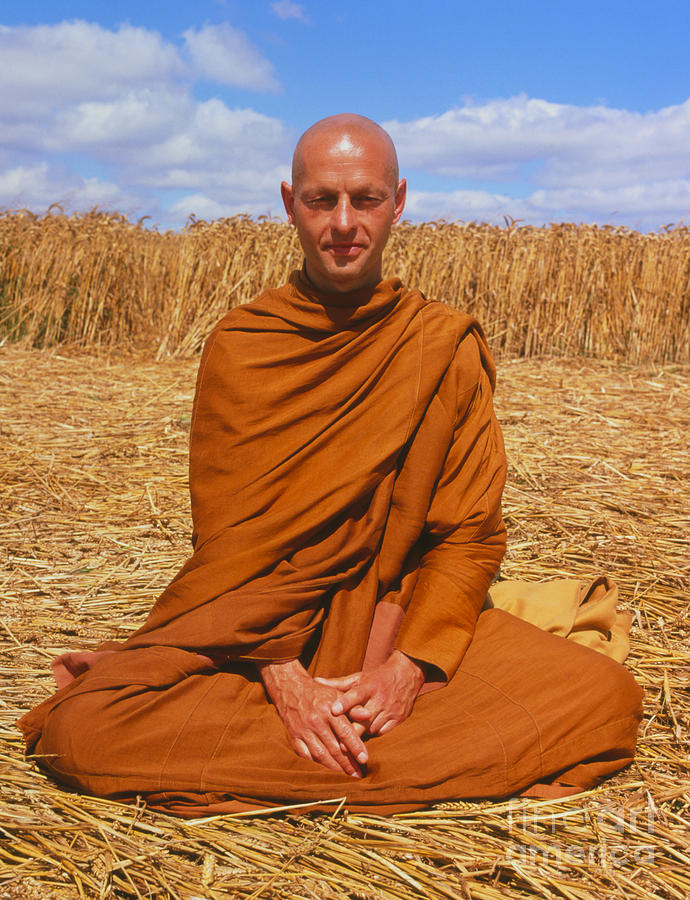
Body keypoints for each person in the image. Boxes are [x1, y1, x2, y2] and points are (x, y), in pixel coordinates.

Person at [19, 114, 643, 815]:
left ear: (398, 202)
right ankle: (369, 759)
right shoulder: (243, 347)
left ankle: (318, 752)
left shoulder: (440, 345)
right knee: (82, 730)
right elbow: (227, 552)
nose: (345, 222)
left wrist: (409, 670)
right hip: (261, 634)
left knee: (602, 696)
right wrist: (288, 686)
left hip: (396, 618)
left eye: (366, 199)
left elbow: (467, 537)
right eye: (323, 200)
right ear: (291, 204)